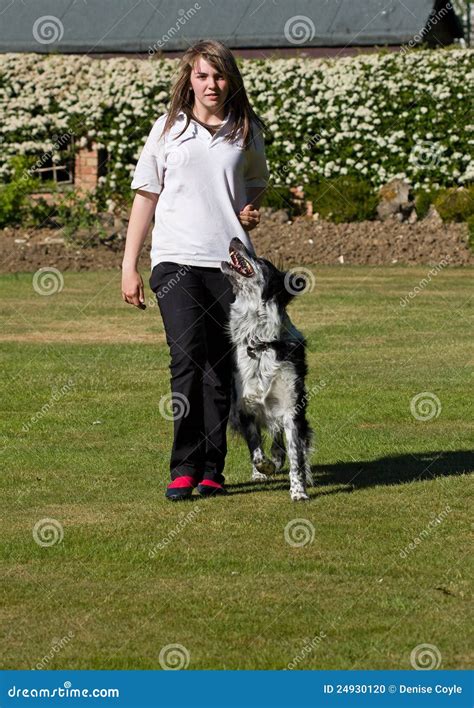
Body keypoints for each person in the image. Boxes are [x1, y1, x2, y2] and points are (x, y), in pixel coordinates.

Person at [121, 39, 270, 501]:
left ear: (231, 80)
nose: (211, 83)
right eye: (202, 75)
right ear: (189, 78)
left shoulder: (244, 128)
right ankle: (183, 466)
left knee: (220, 367)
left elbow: (254, 184)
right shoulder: (167, 129)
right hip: (175, 261)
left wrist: (247, 210)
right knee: (186, 358)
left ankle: (212, 469)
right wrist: (129, 265)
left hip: (231, 266)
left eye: (219, 75)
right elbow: (146, 195)